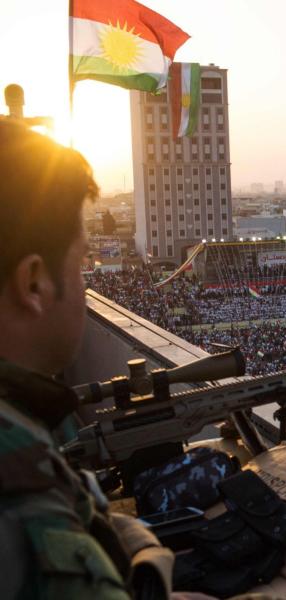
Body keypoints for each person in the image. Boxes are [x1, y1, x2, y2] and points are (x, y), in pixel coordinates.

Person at [0, 121, 211, 599]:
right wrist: (148, 560)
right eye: (80, 263)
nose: (86, 286)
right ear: (34, 284)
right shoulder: (20, 488)